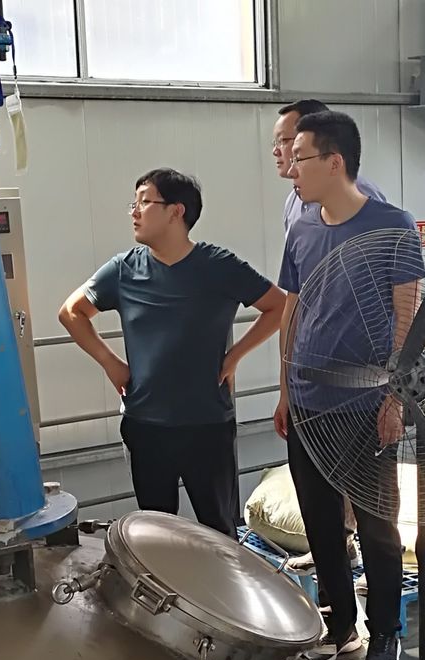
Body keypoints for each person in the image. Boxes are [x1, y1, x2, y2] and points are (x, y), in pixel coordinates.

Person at [274, 110, 424, 660]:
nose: (291, 168)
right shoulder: (302, 229)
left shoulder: (393, 225)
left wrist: (396, 399)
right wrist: (285, 389)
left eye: (300, 157)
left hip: (366, 404)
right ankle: (340, 629)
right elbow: (291, 309)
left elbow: (408, 317)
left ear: (335, 162)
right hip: (308, 402)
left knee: (378, 523)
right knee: (320, 523)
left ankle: (385, 632)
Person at [59, 168, 285, 536]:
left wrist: (234, 356)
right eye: (133, 204)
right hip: (146, 423)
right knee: (156, 532)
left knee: (219, 529)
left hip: (207, 423)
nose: (135, 212)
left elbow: (278, 306)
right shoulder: (124, 269)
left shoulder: (218, 266)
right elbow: (71, 312)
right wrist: (111, 364)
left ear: (176, 212)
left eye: (145, 202)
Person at [273, 100, 386, 233]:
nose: (275, 151)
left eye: (283, 140)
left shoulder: (361, 193)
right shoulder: (293, 202)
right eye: (275, 142)